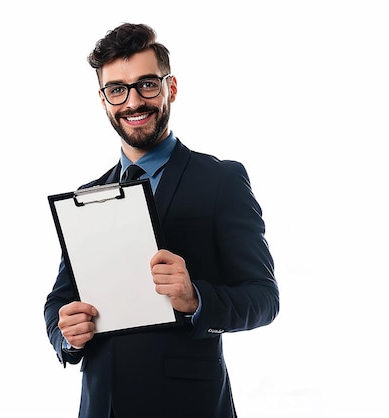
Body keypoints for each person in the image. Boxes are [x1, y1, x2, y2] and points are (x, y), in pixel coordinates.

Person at [44, 23, 279, 418]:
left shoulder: (221, 180)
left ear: (170, 88)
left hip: (187, 405)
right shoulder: (87, 198)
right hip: (101, 405)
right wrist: (65, 334)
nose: (133, 101)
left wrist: (196, 299)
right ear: (104, 100)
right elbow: (60, 298)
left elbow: (264, 298)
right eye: (117, 89)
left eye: (146, 84)